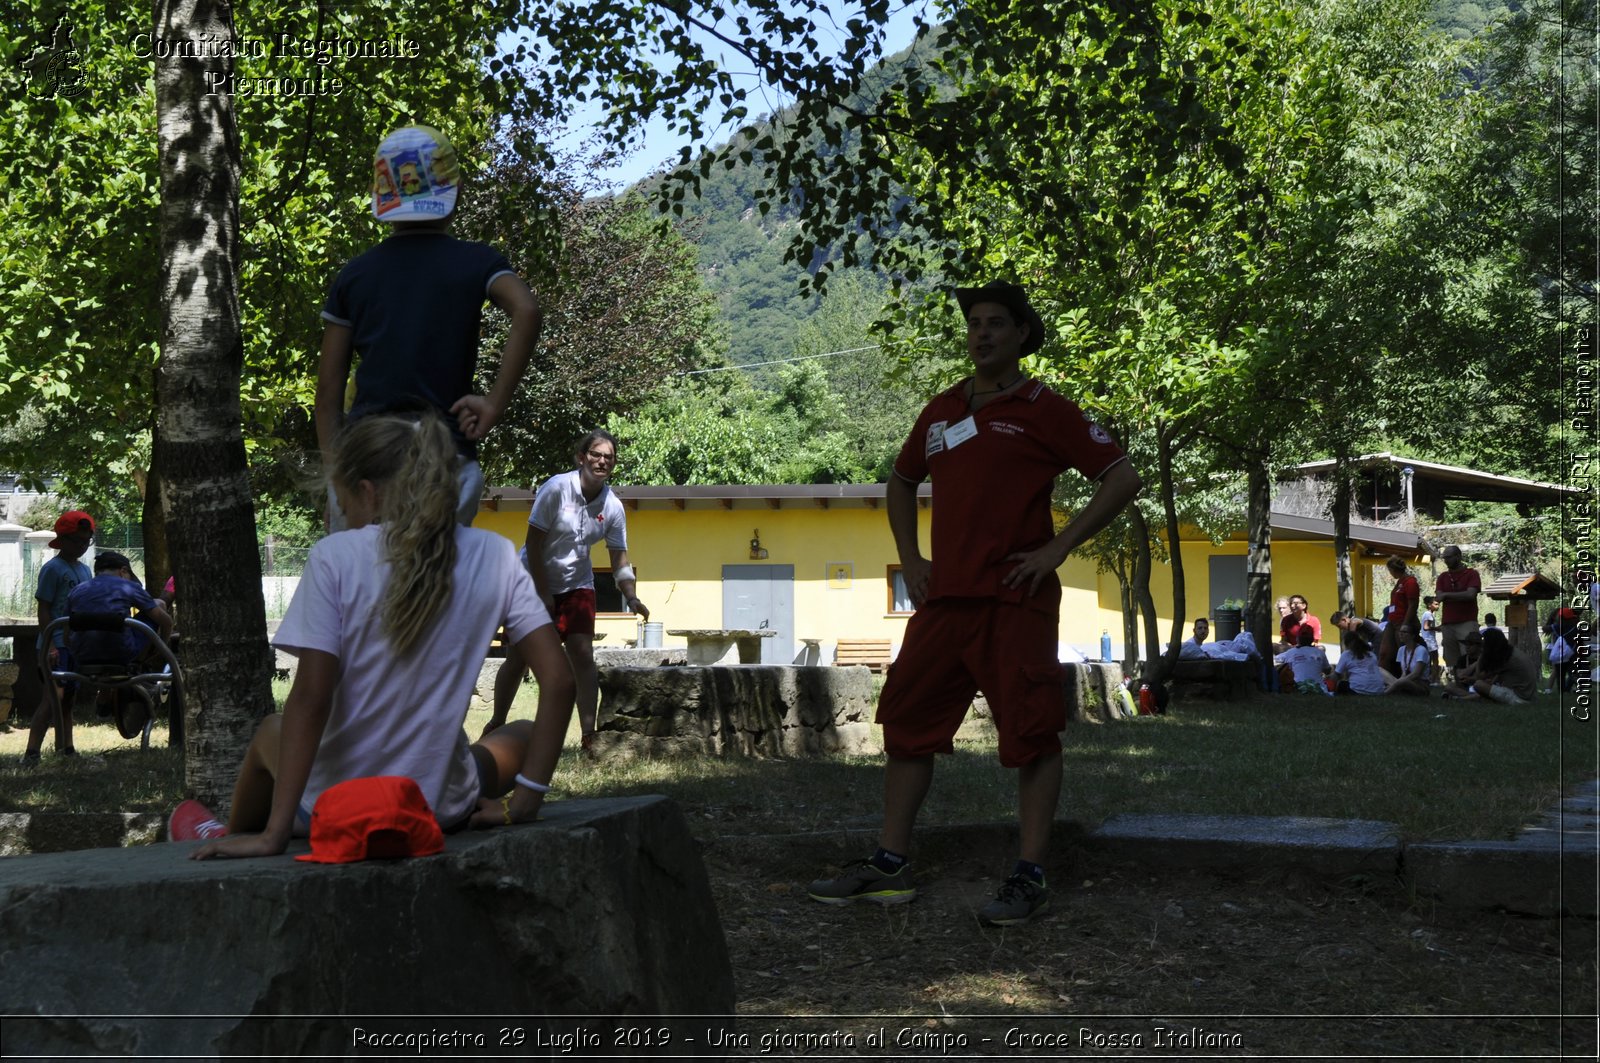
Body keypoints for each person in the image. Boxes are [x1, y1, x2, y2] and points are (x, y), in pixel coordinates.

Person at [806, 280, 1142, 927]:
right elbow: (901, 481)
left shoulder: (1046, 408)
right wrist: (910, 558)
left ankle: (1030, 873)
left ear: (1021, 334)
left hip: (1016, 600)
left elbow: (1121, 476)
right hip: (944, 603)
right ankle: (890, 864)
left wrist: (1057, 548)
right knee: (906, 723)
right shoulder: (939, 412)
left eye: (996, 322)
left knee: (1033, 732)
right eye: (975, 323)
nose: (982, 332)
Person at [171, 413, 577, 858]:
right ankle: (489, 781)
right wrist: (526, 799)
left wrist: (275, 836)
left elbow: (310, 697)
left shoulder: (335, 556)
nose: (345, 518)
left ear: (367, 491)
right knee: (522, 731)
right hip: (439, 807)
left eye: (344, 506)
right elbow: (559, 682)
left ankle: (230, 829)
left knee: (272, 727)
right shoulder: (496, 554)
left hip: (339, 807)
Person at [316, 124, 541, 531]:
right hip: (446, 459)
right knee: (438, 588)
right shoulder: (477, 262)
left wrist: (337, 475)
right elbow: (526, 309)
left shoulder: (354, 276)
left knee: (361, 589)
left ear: (381, 197)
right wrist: (493, 403)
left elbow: (329, 390)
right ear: (454, 193)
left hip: (368, 464)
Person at [483, 429, 647, 741]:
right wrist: (543, 594)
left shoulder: (612, 507)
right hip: (532, 580)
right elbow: (533, 544)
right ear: (581, 457)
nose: (601, 461)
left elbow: (619, 559)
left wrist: (631, 596)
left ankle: (589, 734)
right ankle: (496, 723)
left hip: (578, 584)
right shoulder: (557, 488)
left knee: (582, 653)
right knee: (519, 657)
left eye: (608, 457)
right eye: (596, 455)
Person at [64, 551, 175, 737]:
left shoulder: (77, 590)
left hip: (83, 656)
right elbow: (166, 622)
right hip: (121, 653)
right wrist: (160, 649)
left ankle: (106, 695)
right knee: (159, 606)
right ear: (124, 571)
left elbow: (66, 632)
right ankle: (141, 662)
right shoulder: (126, 586)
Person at [21, 510, 95, 765]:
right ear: (62, 540)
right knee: (54, 698)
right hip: (55, 646)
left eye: (86, 541)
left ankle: (66, 748)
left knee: (69, 700)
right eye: (77, 541)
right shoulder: (52, 569)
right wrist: (50, 643)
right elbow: (44, 608)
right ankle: (32, 752)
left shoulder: (85, 570)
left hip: (75, 645)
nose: (82, 546)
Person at [1442, 627, 1537, 705]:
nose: (1467, 647)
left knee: (1479, 685)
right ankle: (1468, 697)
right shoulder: (1511, 653)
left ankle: (1462, 699)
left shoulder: (1505, 657)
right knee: (1454, 686)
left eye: (1471, 644)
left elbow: (1479, 678)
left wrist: (1480, 658)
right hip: (1526, 694)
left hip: (1520, 697)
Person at [1433, 544, 1481, 682]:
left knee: (1470, 654)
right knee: (1451, 657)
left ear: (1458, 556)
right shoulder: (1442, 577)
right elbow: (1438, 596)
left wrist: (1447, 595)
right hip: (1448, 623)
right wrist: (1456, 595)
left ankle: (1472, 682)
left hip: (1467, 621)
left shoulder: (1472, 574)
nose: (1446, 560)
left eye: (1448, 557)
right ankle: (1456, 682)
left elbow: (1471, 595)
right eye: (1444, 558)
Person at [1379, 557, 1420, 675]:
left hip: (1403, 622)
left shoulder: (1410, 582)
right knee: (1384, 653)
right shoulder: (1399, 582)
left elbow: (1413, 605)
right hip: (1392, 622)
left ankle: (1407, 679)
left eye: (1390, 570)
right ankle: (1385, 680)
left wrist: (1406, 624)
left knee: (1404, 652)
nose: (1390, 573)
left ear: (1394, 569)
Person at [1274, 626, 1332, 695]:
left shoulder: (1291, 652)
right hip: (1319, 690)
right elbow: (1328, 671)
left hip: (1298, 689)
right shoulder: (1320, 652)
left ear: (1298, 639)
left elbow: (1275, 660)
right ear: (1312, 639)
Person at [1382, 623, 1431, 697]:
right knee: (1380, 670)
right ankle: (1397, 688)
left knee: (1402, 681)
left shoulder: (1421, 650)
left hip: (1420, 685)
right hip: (1405, 681)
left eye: (1404, 632)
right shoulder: (1401, 650)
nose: (1400, 634)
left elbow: (1416, 674)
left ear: (1413, 636)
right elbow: (1404, 673)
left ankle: (1384, 693)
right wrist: (1399, 682)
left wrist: (1399, 682)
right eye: (1400, 631)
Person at [1334, 630, 1387, 695]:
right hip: (1379, 690)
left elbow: (1337, 674)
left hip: (1358, 691)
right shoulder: (1371, 654)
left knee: (1341, 684)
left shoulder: (1346, 654)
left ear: (1346, 643)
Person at [1420, 595, 1441, 676]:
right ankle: (1434, 678)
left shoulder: (1428, 614)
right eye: (1436, 604)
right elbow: (1426, 627)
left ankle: (1429, 677)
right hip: (1430, 640)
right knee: (1435, 660)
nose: (1438, 606)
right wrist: (1437, 628)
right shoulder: (1428, 614)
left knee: (1429, 660)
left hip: (1427, 639)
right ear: (1429, 605)